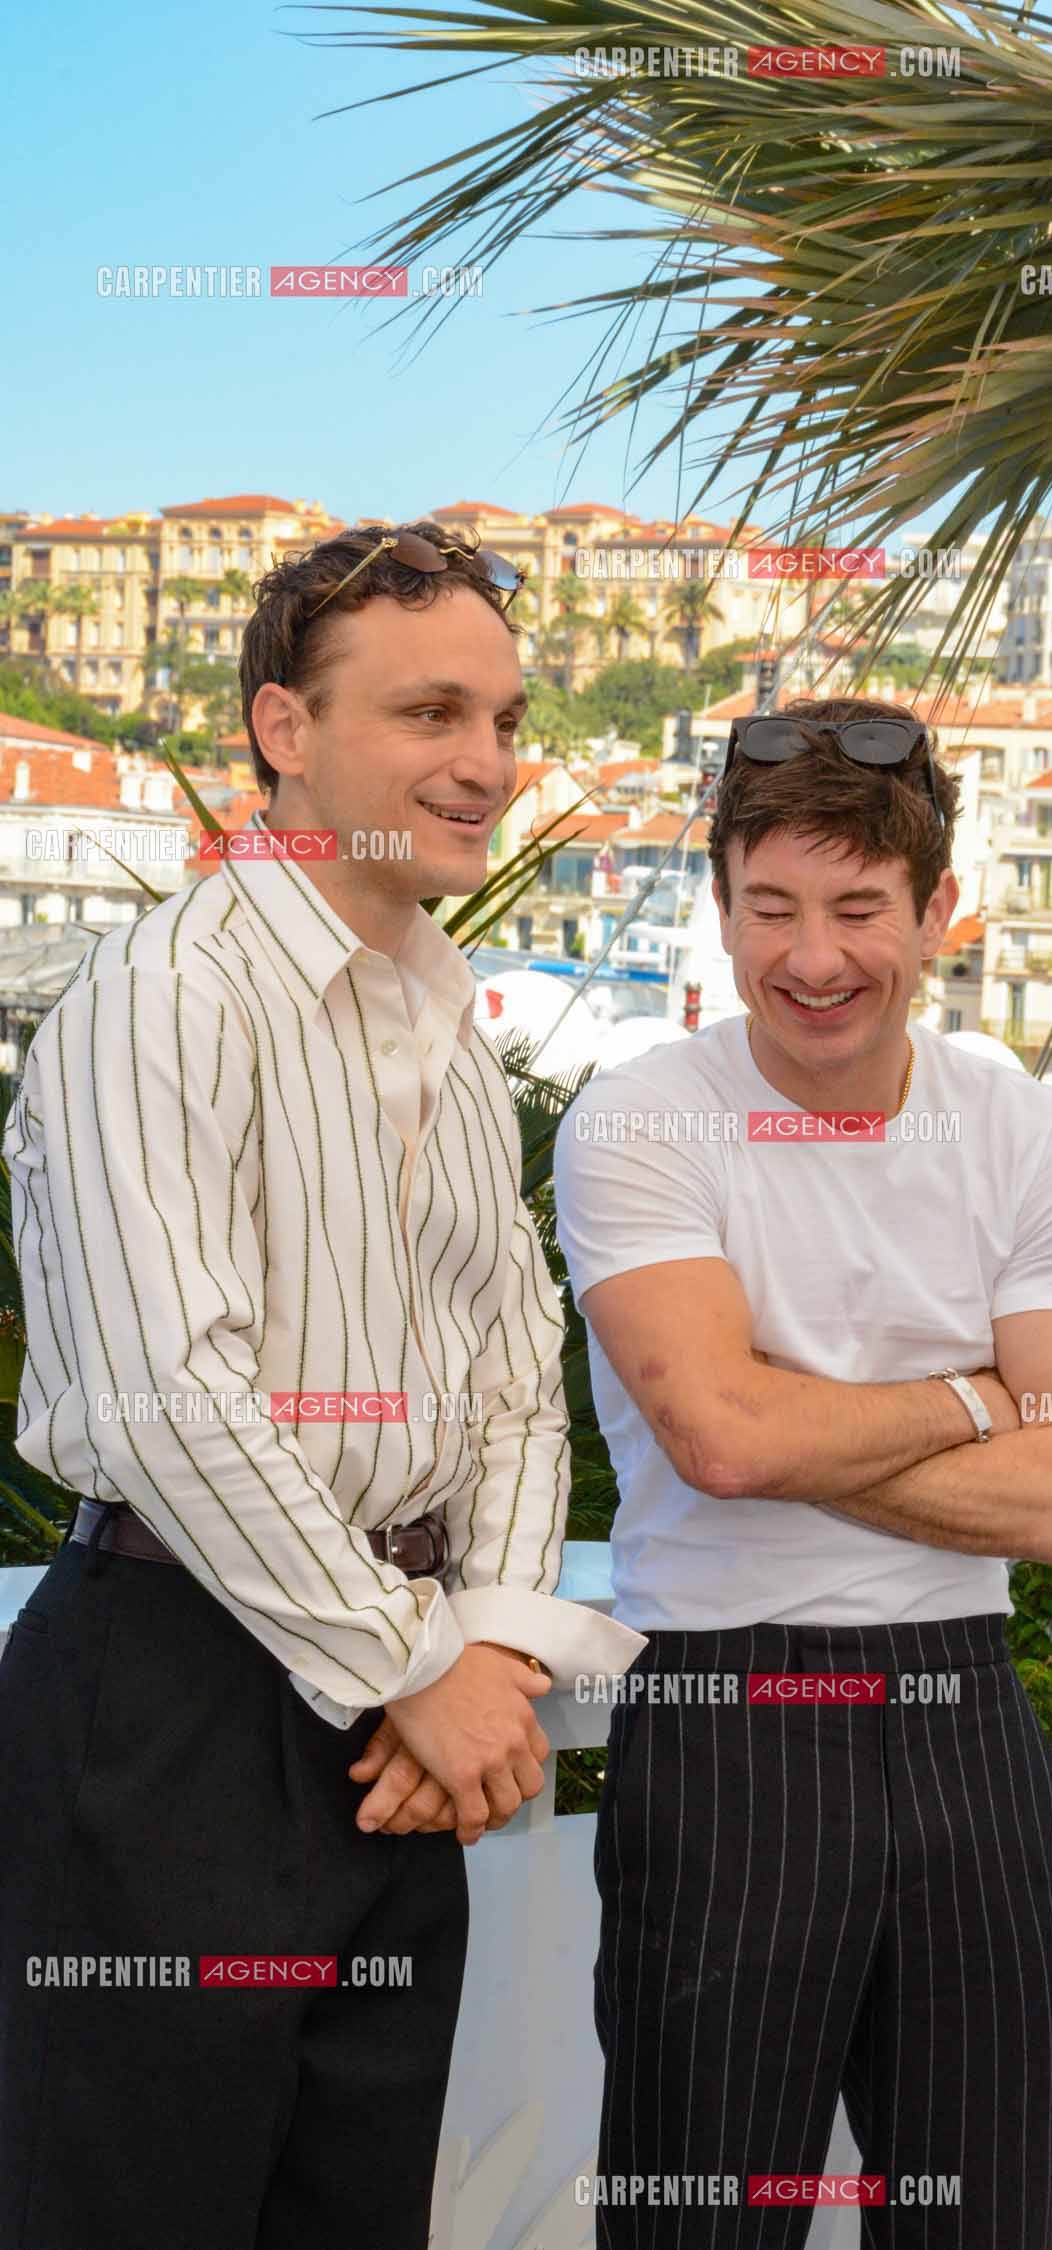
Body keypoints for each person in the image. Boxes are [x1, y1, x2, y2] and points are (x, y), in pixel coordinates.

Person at [0, 520, 645, 2250]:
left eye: (505, 719)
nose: (487, 764)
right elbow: (159, 1395)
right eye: (432, 712)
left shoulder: (437, 1012)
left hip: (390, 1726)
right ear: (286, 728)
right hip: (177, 1704)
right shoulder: (164, 1000)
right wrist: (418, 1664)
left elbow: (514, 1369)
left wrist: (490, 1643)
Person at [551, 697, 1052, 2247]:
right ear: (722, 906)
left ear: (938, 912)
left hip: (969, 1720)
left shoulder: (1031, 1133)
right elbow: (719, 1438)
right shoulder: (644, 1118)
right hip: (727, 1722)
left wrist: (768, 1425)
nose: (815, 958)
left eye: (861, 909)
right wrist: (971, 1392)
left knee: (979, 2218)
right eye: (773, 908)